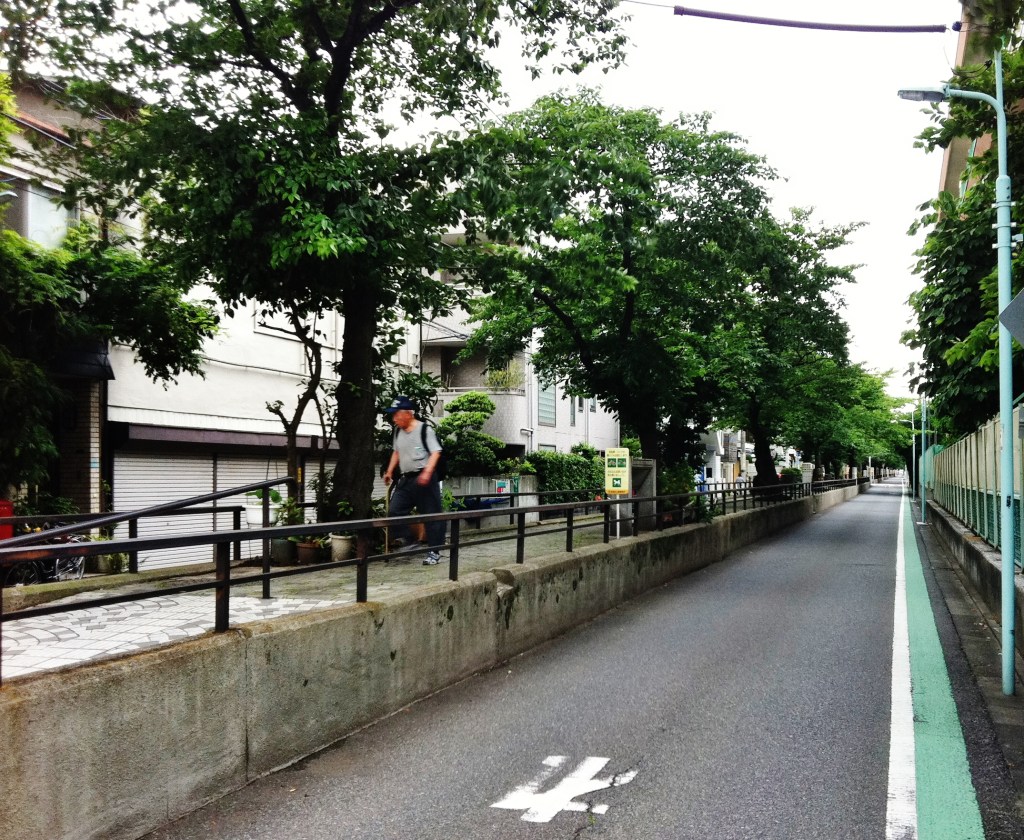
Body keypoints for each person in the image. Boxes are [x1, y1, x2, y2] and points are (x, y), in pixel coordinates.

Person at [383, 395, 446, 565]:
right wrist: (389, 471)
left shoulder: (425, 430)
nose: (394, 418)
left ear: (408, 413)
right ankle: (410, 541)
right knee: (394, 511)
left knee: (431, 515)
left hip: (425, 477)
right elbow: (396, 452)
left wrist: (427, 472)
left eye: (397, 414)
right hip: (406, 479)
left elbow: (436, 452)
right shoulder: (398, 431)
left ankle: (434, 552)